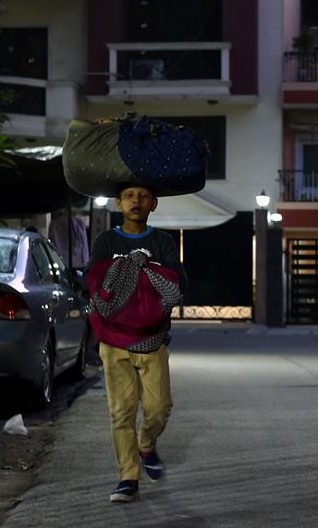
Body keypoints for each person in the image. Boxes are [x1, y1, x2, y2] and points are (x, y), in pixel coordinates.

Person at [83, 183, 188, 504]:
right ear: (118, 203)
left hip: (152, 339)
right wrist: (127, 266)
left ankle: (147, 445)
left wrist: (145, 267)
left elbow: (178, 283)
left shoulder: (162, 241)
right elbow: (92, 280)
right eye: (129, 196)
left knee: (158, 408)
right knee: (121, 412)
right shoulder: (106, 240)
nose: (135, 202)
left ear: (154, 204)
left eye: (143, 197)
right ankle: (128, 477)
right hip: (113, 341)